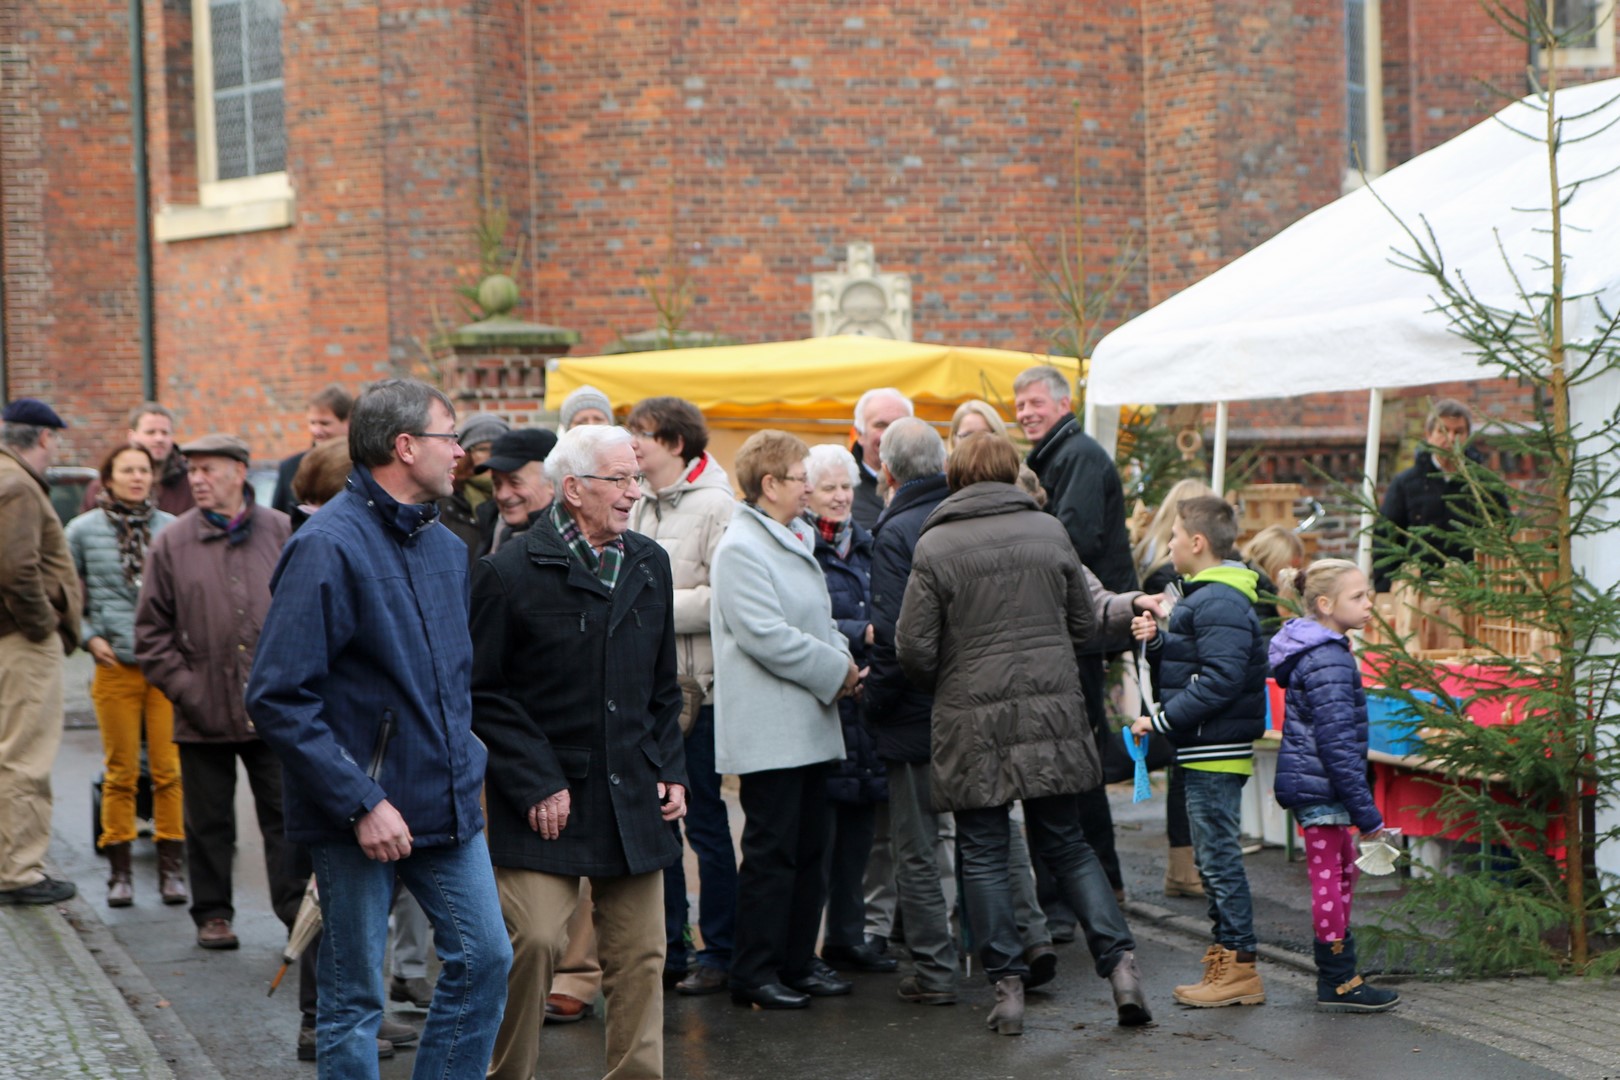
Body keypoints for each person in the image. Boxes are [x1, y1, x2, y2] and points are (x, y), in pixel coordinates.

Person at [246, 379, 511, 1076]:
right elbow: (277, 697)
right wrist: (361, 802)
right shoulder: (327, 546)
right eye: (449, 437)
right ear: (404, 447)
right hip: (357, 812)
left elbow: (452, 687)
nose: (461, 453)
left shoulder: (448, 548)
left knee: (485, 959)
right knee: (354, 996)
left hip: (443, 799)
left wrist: (469, 774)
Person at [896, 434, 1150, 1035]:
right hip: (1051, 715)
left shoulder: (935, 543)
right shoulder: (1049, 532)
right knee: (1068, 845)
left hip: (971, 719)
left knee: (982, 853)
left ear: (955, 475)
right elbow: (1085, 624)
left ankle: (1008, 990)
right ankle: (1122, 972)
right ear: (1012, 472)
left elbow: (913, 648)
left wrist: (950, 677)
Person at [471, 424, 686, 1080]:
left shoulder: (650, 563)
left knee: (644, 955)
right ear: (572, 490)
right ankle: (508, 1073)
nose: (632, 492)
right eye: (618, 480)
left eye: (635, 478)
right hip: (544, 799)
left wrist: (671, 768)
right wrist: (536, 780)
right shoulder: (507, 573)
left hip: (632, 790)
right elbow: (483, 692)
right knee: (532, 943)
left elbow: (661, 687)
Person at [277, 433, 422, 1061]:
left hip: (375, 765)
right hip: (339, 769)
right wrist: (354, 792)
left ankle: (345, 1012)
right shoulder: (320, 548)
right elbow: (288, 688)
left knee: (356, 923)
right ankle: (318, 1019)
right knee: (332, 912)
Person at [135, 433, 301, 951]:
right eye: (192, 471)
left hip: (273, 709)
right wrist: (188, 690)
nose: (197, 480)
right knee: (208, 822)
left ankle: (295, 912)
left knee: (285, 819)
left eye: (208, 470)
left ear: (239, 471)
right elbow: (150, 634)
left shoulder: (281, 530)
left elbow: (303, 610)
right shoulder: (172, 542)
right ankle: (212, 913)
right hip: (202, 708)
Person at [712, 429, 859, 1010]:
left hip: (808, 722)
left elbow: (818, 620)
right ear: (769, 485)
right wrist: (836, 670)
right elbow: (766, 636)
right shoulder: (741, 548)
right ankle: (755, 970)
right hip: (772, 731)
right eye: (801, 477)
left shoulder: (792, 536)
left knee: (808, 852)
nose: (809, 488)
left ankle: (800, 960)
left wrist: (841, 658)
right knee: (773, 857)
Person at [1130, 494, 1269, 1008]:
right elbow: (1200, 663)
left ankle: (1238, 966)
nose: (1165, 544)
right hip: (1207, 744)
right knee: (1213, 859)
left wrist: (1162, 719)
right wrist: (1161, 643)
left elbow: (1221, 678)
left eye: (1172, 536)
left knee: (1217, 859)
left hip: (1215, 747)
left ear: (1196, 542)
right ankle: (1227, 961)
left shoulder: (1217, 599)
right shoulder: (1208, 598)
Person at [626, 396, 740, 997]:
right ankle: (670, 951)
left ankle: (720, 950)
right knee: (658, 826)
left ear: (674, 442)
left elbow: (727, 597)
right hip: (649, 696)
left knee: (706, 827)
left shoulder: (718, 505)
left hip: (702, 696)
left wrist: (648, 607)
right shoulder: (637, 501)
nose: (631, 443)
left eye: (640, 433)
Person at [1016, 364, 1135, 922]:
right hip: (1076, 631)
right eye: (1020, 406)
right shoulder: (1056, 456)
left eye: (1035, 402)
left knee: (1079, 767)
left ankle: (1100, 888)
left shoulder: (1078, 457)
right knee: (1076, 765)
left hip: (1082, 634)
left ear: (1063, 404)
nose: (1025, 412)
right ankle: (1095, 890)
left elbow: (1074, 540)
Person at [1270, 560, 1401, 1013]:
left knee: (1341, 875)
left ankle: (1342, 976)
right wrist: (1369, 818)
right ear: (1325, 605)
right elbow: (1338, 746)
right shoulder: (1327, 658)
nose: (1370, 604)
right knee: (1331, 881)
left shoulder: (1325, 650)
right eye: (1358, 597)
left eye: (1368, 594)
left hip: (1322, 785)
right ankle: (1338, 980)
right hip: (1322, 788)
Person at [864, 417, 960, 1004]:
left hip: (915, 713)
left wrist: (875, 701)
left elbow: (900, 640)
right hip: (970, 705)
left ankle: (934, 972)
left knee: (917, 847)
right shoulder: (961, 516)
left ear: (887, 470)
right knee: (980, 837)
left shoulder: (898, 530)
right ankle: (1017, 953)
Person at [66, 444, 186, 908]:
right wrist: (87, 636)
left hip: (162, 668)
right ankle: (120, 875)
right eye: (126, 470)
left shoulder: (172, 530)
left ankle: (171, 871)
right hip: (113, 666)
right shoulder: (81, 530)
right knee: (119, 773)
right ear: (108, 478)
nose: (136, 477)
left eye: (144, 470)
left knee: (168, 771)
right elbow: (63, 592)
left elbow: (185, 597)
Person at [803, 443, 894, 976]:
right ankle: (808, 948)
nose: (840, 497)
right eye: (828, 488)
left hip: (867, 703)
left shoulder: (869, 543)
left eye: (846, 487)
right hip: (825, 701)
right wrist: (860, 634)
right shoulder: (802, 548)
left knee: (860, 829)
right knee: (822, 836)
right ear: (806, 492)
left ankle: (847, 936)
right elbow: (807, 622)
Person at [0, 398, 81, 906]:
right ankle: (20, 872)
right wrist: (41, 625)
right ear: (45, 438)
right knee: (25, 756)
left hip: (12, 639)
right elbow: (16, 568)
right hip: (22, 644)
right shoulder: (18, 484)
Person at [1133, 478, 1217, 900]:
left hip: (1172, 677)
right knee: (1186, 773)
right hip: (1179, 679)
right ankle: (1183, 867)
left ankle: (1188, 864)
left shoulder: (1160, 567)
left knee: (1187, 772)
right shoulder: (1172, 576)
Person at [1373, 398, 1503, 592]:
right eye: (1443, 431)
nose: (1451, 438)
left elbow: (1503, 534)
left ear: (1468, 436)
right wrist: (1386, 589)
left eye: (1458, 432)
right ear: (1429, 435)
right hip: (1416, 592)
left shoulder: (1485, 484)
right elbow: (1385, 539)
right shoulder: (1405, 484)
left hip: (1474, 592)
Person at [80, 402, 195, 516]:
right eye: (150, 432)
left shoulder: (190, 482)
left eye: (165, 433)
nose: (159, 438)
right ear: (132, 436)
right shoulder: (102, 488)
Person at [271, 383, 354, 523]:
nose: (317, 431)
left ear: (347, 422)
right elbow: (278, 522)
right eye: (312, 423)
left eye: (324, 423)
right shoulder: (291, 467)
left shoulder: (363, 464)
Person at [437, 412, 509, 568]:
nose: (491, 456)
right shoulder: (445, 500)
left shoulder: (514, 501)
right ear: (467, 454)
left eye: (498, 447)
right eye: (483, 449)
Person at [477, 427, 559, 558]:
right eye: (496, 483)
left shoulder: (571, 542)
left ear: (552, 482)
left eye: (515, 482)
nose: (502, 495)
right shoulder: (487, 527)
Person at [850, 388, 914, 529]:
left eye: (899, 425)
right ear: (859, 434)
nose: (891, 435)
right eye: (881, 425)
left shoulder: (931, 485)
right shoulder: (843, 490)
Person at [1241, 524, 1306, 628]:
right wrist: (1286, 615)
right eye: (1289, 569)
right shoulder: (1250, 593)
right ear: (1272, 563)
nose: (1295, 576)